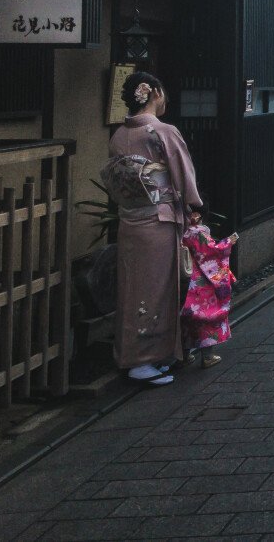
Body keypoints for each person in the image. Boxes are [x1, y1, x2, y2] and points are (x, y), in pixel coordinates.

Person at [100, 71, 200, 387]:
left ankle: (147, 354)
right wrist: (194, 207)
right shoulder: (161, 132)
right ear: (154, 92)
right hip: (158, 220)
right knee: (156, 290)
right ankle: (143, 360)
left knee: (133, 289)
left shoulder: (119, 136)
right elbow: (183, 175)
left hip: (130, 220)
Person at [180, 209, 238, 369]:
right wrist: (228, 242)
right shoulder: (196, 232)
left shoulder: (178, 230)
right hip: (200, 281)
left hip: (182, 277)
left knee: (185, 319)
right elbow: (210, 252)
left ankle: (183, 356)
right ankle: (208, 356)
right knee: (206, 316)